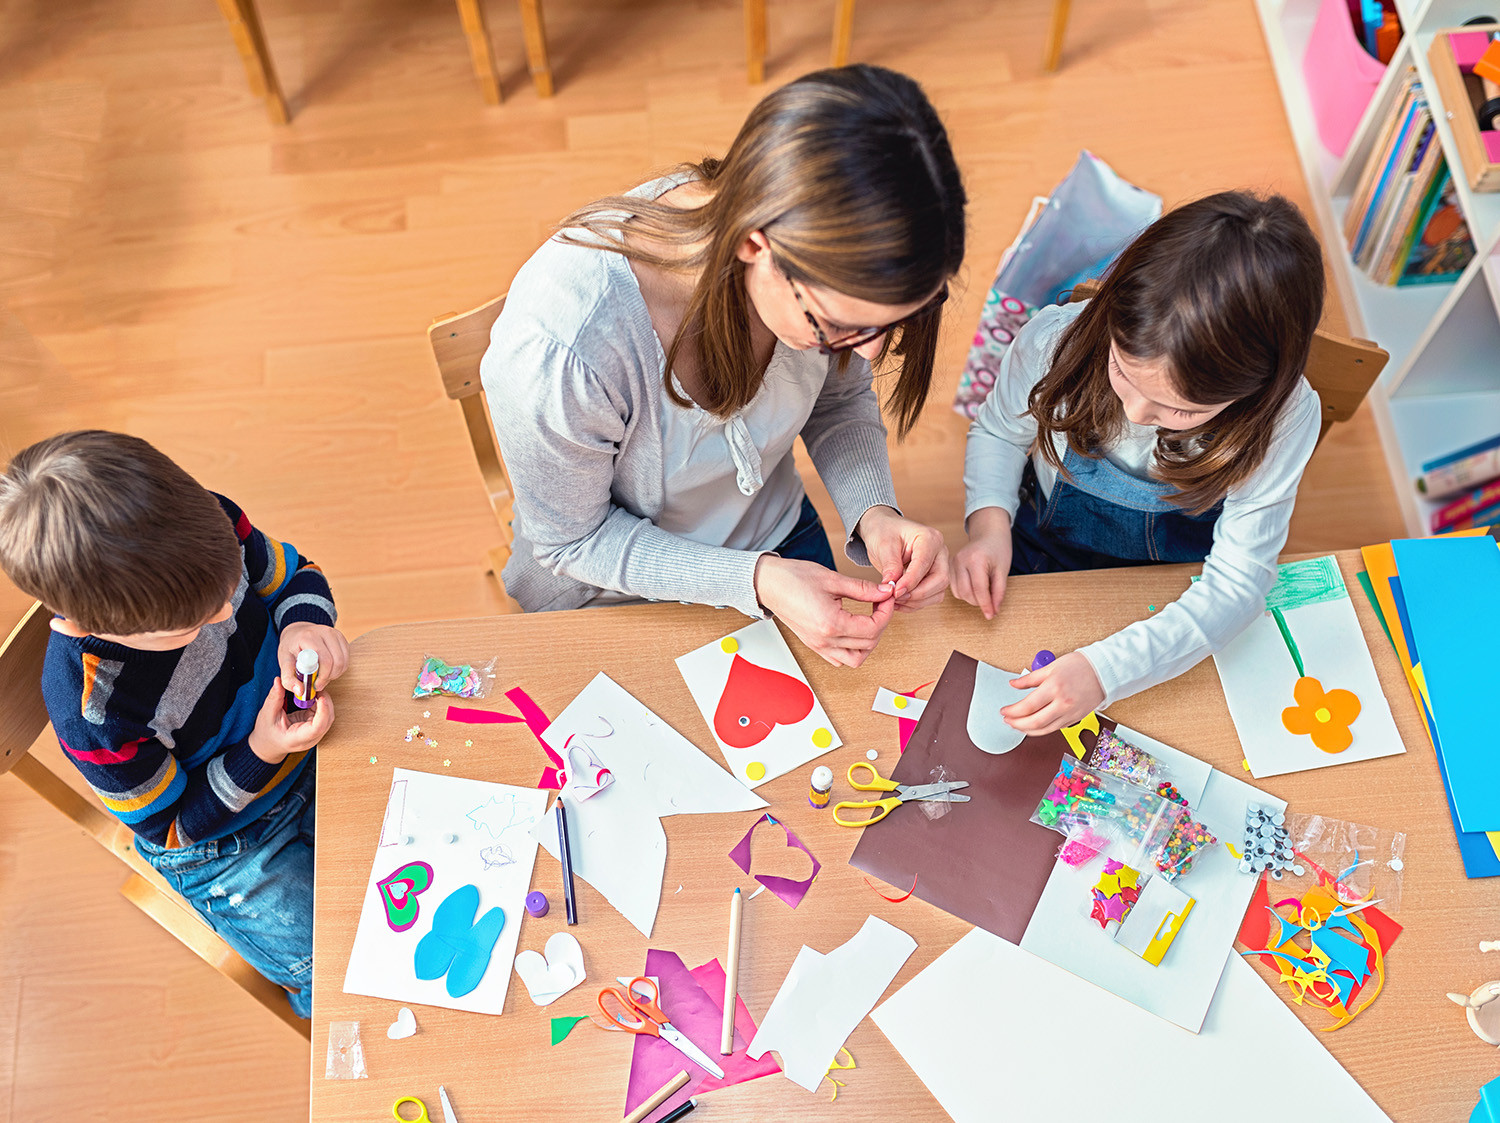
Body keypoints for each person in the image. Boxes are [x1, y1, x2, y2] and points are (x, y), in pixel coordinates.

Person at [482, 64, 966, 667]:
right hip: (610, 588)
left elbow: (837, 400)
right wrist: (757, 581)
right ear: (754, 246)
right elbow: (573, 542)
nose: (869, 353)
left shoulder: (819, 268)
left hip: (774, 540)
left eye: (889, 324)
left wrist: (875, 512)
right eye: (838, 327)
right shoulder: (565, 349)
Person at [0, 430, 349, 1018]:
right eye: (190, 623)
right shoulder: (96, 712)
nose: (224, 612)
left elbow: (294, 577)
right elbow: (171, 829)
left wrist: (302, 626)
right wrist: (261, 751)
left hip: (311, 748)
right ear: (97, 623)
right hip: (228, 843)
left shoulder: (208, 528)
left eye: (225, 590)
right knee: (339, 966)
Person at [952, 191, 1326, 734]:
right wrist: (988, 526)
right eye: (1121, 370)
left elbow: (1236, 587)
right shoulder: (1055, 340)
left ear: (1258, 392)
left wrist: (1106, 672)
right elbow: (998, 432)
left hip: (1172, 589)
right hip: (1038, 551)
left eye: (1180, 409)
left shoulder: (1286, 418)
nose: (1136, 412)